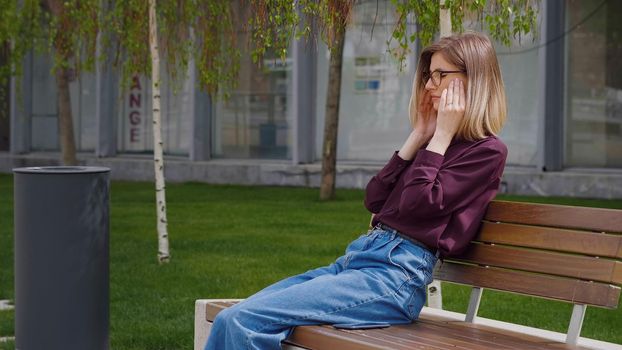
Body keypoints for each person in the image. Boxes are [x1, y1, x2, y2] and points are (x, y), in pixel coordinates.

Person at [205, 31, 508, 350]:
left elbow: (418, 204)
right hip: (357, 262)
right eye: (428, 75)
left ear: (473, 79)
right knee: (231, 317)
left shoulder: (486, 152)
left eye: (440, 75)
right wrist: (419, 134)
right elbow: (375, 198)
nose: (430, 85)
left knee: (246, 321)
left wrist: (441, 137)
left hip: (394, 280)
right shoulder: (433, 143)